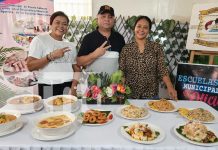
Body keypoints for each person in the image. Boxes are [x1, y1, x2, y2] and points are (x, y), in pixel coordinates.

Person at [119, 16, 177, 100]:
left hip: (151, 96)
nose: (141, 30)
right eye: (139, 26)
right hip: (130, 95)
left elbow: (162, 69)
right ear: (134, 28)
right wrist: (120, 89)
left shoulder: (156, 47)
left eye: (145, 27)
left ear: (149, 31)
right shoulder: (126, 49)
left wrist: (170, 86)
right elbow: (122, 71)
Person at [27, 11, 80, 99]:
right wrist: (51, 56)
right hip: (48, 86)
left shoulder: (71, 45)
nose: (61, 26)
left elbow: (76, 69)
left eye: (64, 24)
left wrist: (74, 87)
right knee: (49, 112)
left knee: (69, 111)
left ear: (67, 27)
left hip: (68, 86)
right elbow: (30, 66)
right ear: (50, 25)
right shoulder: (40, 40)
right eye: (57, 22)